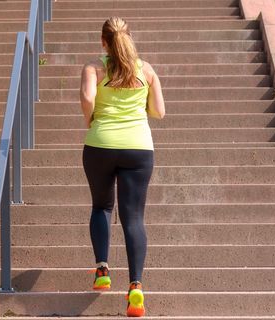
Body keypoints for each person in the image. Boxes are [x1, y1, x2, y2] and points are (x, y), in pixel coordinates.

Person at [79, 16, 165, 317]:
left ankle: (102, 270)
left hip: (100, 144)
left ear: (103, 41)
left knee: (101, 206)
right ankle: (136, 288)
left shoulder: (94, 68)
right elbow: (159, 111)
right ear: (129, 37)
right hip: (138, 148)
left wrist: (92, 120)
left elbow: (88, 97)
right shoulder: (147, 70)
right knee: (134, 218)